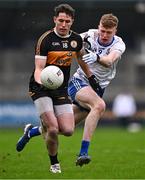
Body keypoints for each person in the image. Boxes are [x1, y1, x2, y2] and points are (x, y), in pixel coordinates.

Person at [16, 13, 126, 167]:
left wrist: (97, 57)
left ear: (115, 31)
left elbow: (109, 61)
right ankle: (83, 153)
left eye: (109, 32)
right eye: (102, 31)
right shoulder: (88, 36)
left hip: (98, 88)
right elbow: (65, 40)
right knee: (99, 106)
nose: (105, 35)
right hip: (79, 81)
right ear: (99, 27)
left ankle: (31, 131)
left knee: (64, 129)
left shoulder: (119, 44)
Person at [16, 4, 97, 173]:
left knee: (67, 130)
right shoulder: (45, 39)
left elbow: (81, 58)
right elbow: (39, 68)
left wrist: (90, 77)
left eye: (67, 21)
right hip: (40, 87)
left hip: (60, 89)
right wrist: (41, 83)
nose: (63, 24)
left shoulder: (76, 39)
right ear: (55, 19)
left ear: (72, 21)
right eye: (60, 20)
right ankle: (54, 164)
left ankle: (31, 132)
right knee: (52, 128)